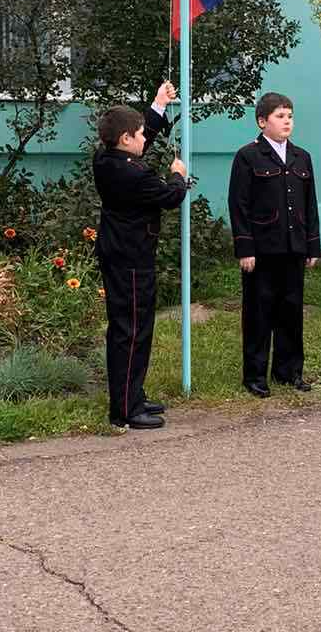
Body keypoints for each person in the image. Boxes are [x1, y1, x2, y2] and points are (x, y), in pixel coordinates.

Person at [93, 81, 187, 430]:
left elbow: (141, 139)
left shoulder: (106, 158)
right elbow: (170, 197)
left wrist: (158, 104)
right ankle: (126, 411)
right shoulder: (133, 173)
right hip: (131, 259)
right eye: (138, 134)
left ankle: (133, 395)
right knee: (131, 331)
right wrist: (178, 177)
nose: (144, 138)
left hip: (120, 255)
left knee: (132, 328)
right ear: (125, 140)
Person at [228, 92, 321, 397]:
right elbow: (239, 204)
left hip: (293, 247)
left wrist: (312, 246)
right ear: (262, 121)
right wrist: (245, 247)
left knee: (291, 311)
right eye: (280, 116)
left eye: (290, 116)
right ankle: (255, 376)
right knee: (259, 312)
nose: (287, 122)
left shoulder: (301, 157)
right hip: (262, 250)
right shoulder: (248, 156)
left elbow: (310, 205)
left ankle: (289, 371)